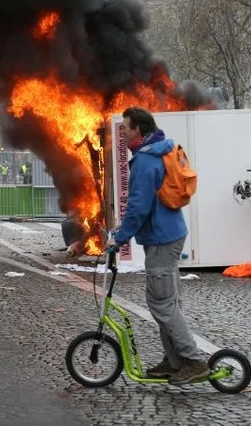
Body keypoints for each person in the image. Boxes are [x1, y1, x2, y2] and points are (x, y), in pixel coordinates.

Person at [106, 106, 209, 385]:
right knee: (167, 302)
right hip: (168, 234)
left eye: (126, 128)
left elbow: (139, 206)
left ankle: (192, 361)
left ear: (138, 130)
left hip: (162, 239)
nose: (123, 133)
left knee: (162, 304)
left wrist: (121, 238)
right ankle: (174, 361)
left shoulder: (146, 161)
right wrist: (123, 227)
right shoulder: (155, 153)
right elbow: (142, 206)